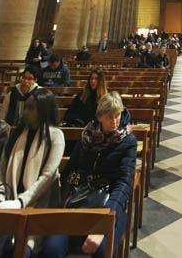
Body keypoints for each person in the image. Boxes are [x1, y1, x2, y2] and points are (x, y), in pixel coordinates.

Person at [41, 91, 137, 258]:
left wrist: (106, 220)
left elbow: (124, 183)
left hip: (110, 203)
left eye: (117, 116)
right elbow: (69, 169)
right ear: (99, 116)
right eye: (109, 117)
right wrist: (70, 189)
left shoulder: (128, 141)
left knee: (102, 252)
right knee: (52, 249)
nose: (115, 121)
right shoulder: (87, 135)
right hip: (78, 200)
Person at [0, 88, 65, 256]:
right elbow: (1, 172)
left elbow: (47, 177)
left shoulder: (55, 136)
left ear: (43, 110)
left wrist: (20, 203)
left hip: (36, 208)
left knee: (23, 249)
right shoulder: (16, 134)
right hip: (7, 203)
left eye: (31, 108)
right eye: (26, 107)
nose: (26, 112)